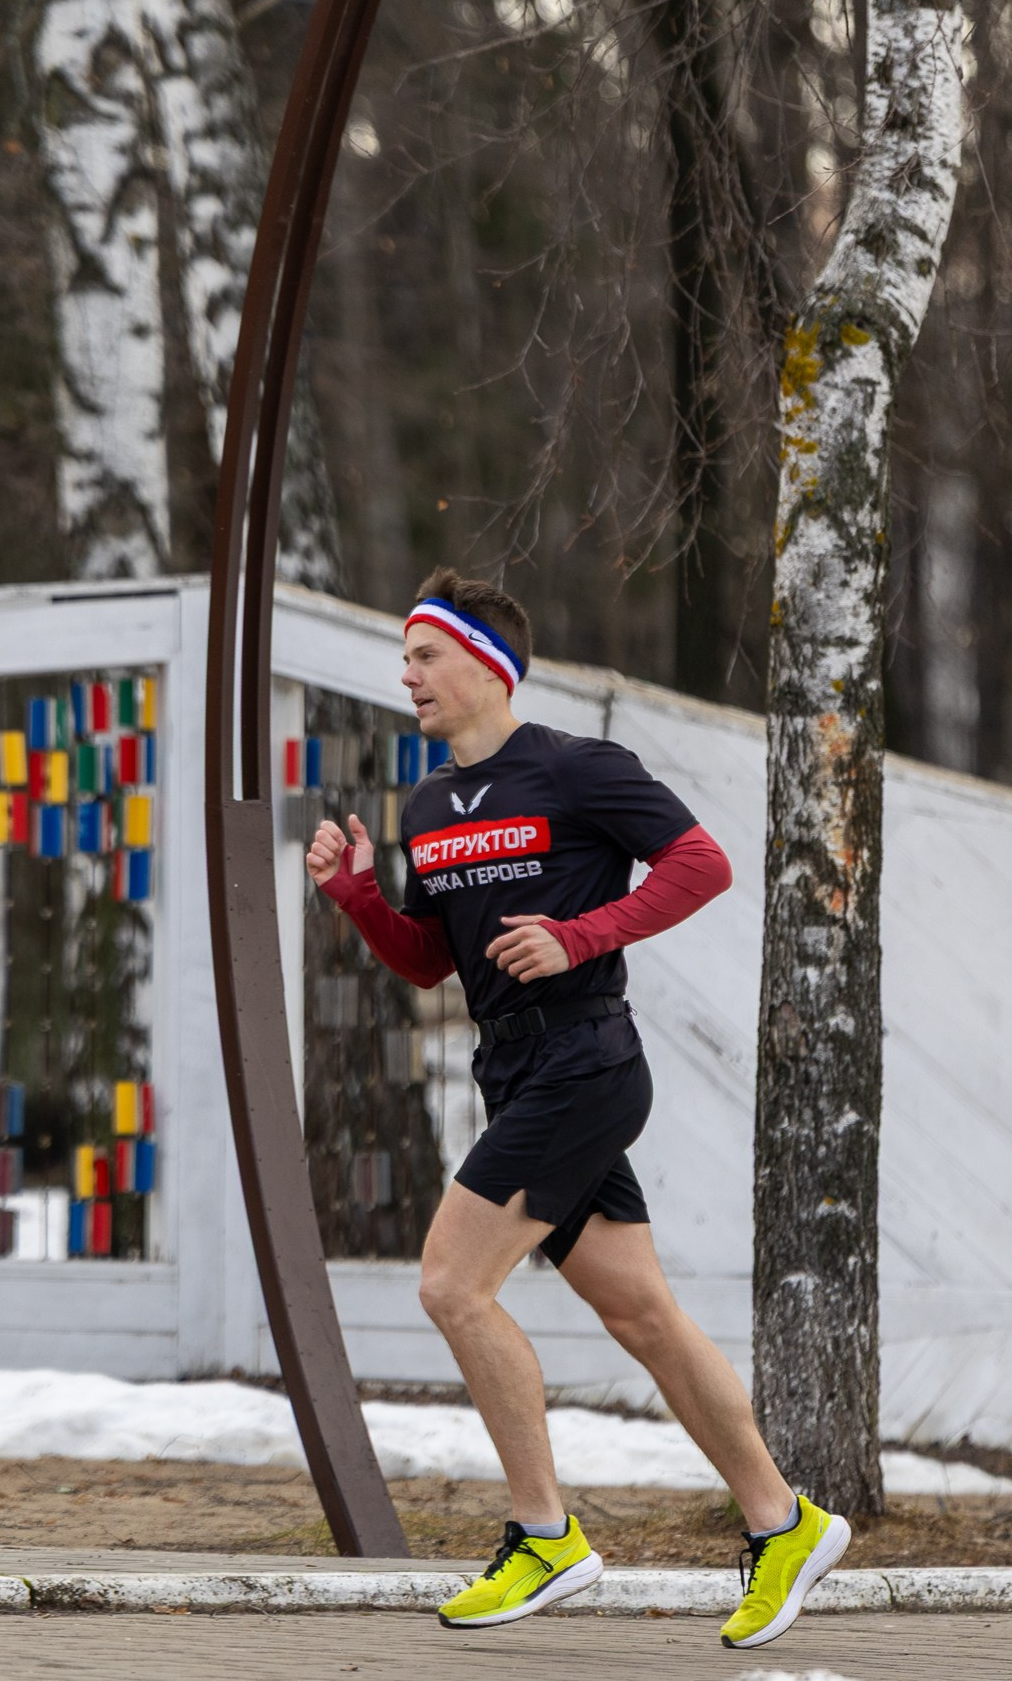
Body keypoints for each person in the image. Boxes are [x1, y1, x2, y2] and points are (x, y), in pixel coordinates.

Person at [309, 569, 847, 1651]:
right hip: (516, 1072)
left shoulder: (574, 769)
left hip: (585, 1062)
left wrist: (579, 934)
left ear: (486, 666)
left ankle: (544, 1533)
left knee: (452, 1286)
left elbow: (702, 864)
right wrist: (360, 892)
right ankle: (783, 1523)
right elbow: (431, 964)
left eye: (424, 656)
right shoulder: (426, 806)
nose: (405, 674)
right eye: (404, 657)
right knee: (641, 1313)